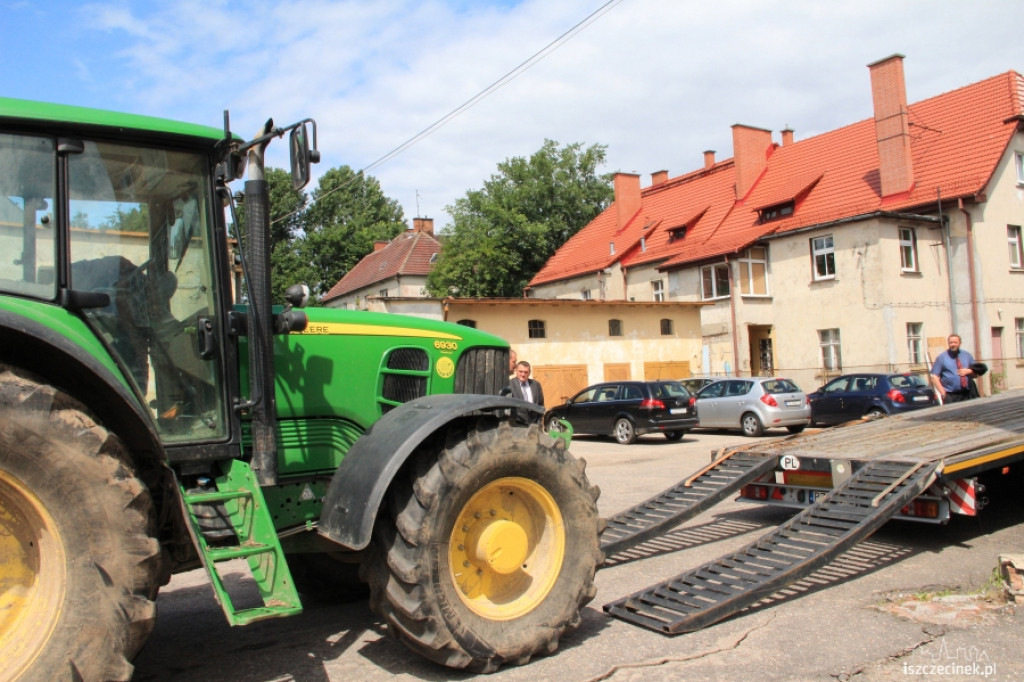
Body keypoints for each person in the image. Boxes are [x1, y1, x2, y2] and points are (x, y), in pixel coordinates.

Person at [930, 334, 978, 402]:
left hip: (967, 394)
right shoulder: (942, 358)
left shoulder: (967, 356)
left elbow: (976, 373)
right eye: (950, 343)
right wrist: (943, 393)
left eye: (955, 342)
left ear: (960, 343)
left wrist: (968, 371)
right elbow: (934, 377)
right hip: (951, 395)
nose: (953, 344)